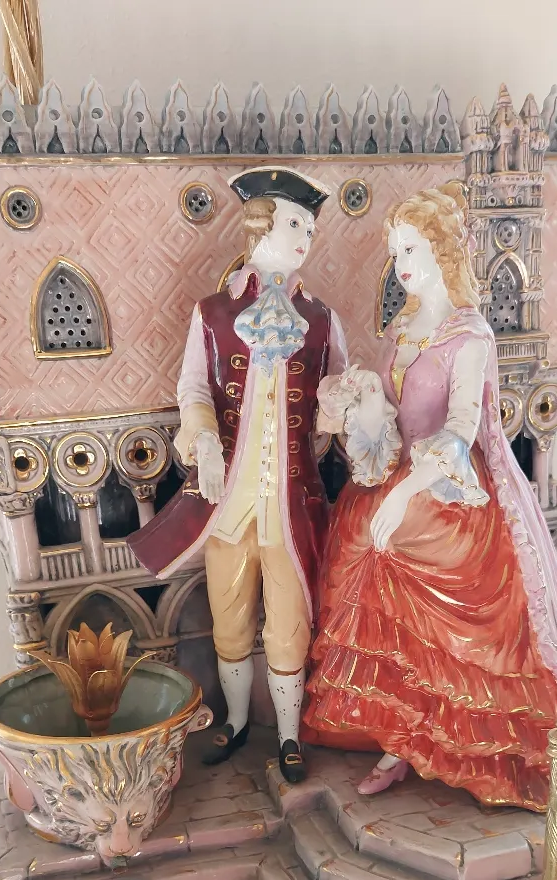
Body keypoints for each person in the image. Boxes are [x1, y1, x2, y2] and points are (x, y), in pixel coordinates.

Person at [302, 181, 557, 812]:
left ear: (443, 252)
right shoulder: (402, 327)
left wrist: (407, 491)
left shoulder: (471, 336)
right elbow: (393, 414)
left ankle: (457, 741)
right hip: (397, 475)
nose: (401, 266)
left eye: (412, 250)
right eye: (396, 253)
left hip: (450, 486)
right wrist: (362, 413)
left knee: (412, 550)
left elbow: (459, 431)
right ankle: (402, 736)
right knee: (366, 552)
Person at [128, 167, 347, 782]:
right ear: (260, 226)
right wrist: (202, 437)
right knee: (228, 621)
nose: (305, 238)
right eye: (295, 224)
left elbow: (337, 393)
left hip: (293, 504)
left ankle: (288, 735)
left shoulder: (322, 319)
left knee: (289, 625)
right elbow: (193, 386)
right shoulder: (213, 313)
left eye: (310, 228)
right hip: (227, 504)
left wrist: (346, 408)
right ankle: (237, 720)